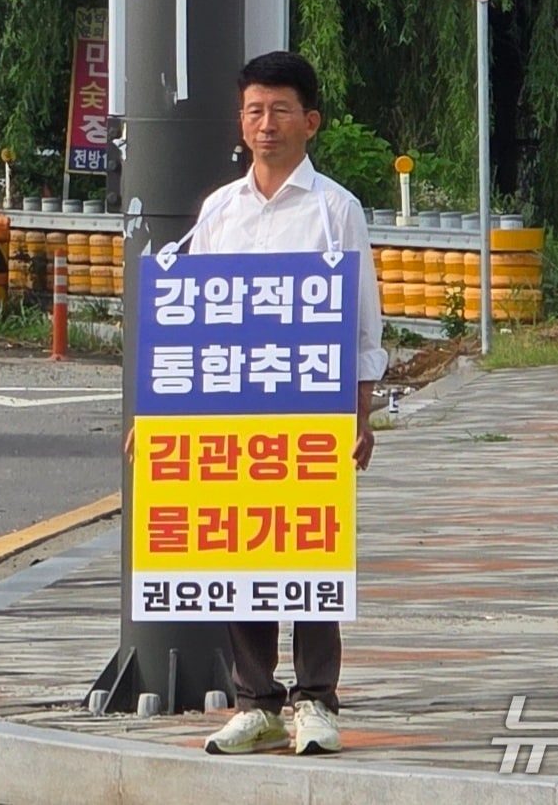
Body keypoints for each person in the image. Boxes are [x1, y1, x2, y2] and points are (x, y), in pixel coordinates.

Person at [198, 50, 386, 757]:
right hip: (233, 411)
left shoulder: (336, 210)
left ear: (310, 121)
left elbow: (363, 321)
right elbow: (195, 318)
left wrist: (358, 417)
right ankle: (255, 699)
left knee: (310, 551)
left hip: (310, 412)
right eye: (253, 110)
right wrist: (164, 425)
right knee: (238, 550)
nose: (265, 123)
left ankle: (314, 700)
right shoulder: (219, 211)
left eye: (279, 110)